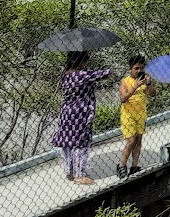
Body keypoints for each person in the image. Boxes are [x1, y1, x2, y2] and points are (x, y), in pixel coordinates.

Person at [53, 51, 112, 185]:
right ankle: (80, 175)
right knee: (81, 143)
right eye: (84, 61)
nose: (86, 64)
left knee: (68, 142)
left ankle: (70, 171)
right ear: (77, 61)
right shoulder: (82, 75)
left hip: (66, 112)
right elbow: (106, 73)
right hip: (81, 113)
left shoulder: (65, 75)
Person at [117, 55, 151, 177]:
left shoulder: (144, 80)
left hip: (141, 114)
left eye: (141, 68)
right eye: (136, 68)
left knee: (138, 140)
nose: (138, 71)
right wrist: (135, 86)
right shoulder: (125, 81)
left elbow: (152, 94)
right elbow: (123, 98)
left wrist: (149, 84)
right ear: (130, 69)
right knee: (131, 141)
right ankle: (121, 165)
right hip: (128, 115)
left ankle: (134, 166)